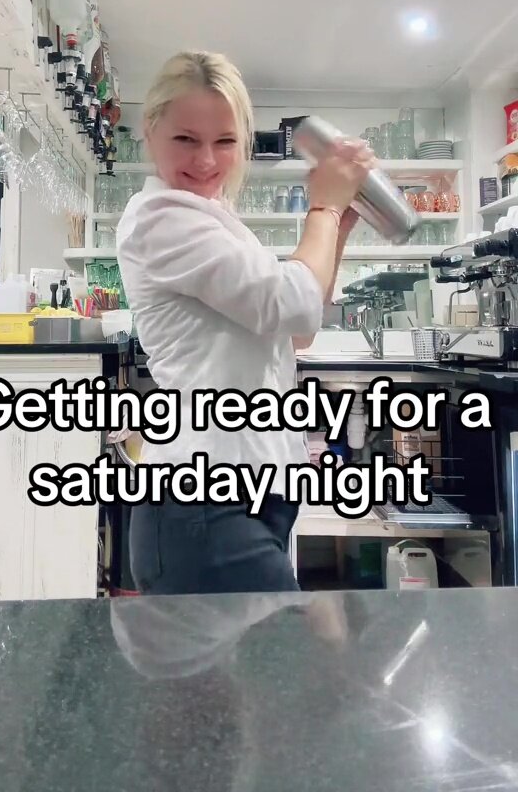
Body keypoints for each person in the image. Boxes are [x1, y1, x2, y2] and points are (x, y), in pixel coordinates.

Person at [115, 50, 374, 594]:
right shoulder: (160, 218)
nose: (207, 160)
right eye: (186, 139)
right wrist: (323, 209)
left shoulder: (217, 220)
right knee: (282, 648)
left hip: (252, 493)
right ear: (150, 131)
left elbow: (298, 331)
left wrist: (339, 228)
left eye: (226, 141)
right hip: (202, 505)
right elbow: (293, 304)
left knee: (263, 651)